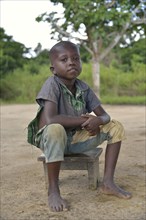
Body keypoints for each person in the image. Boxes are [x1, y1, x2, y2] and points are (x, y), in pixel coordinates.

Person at [27, 41, 132, 212]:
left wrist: (98, 121)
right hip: (52, 141)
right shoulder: (52, 84)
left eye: (76, 58)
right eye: (64, 59)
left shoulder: (83, 88)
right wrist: (85, 121)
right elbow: (51, 118)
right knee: (55, 128)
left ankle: (108, 183)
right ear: (53, 69)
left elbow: (105, 115)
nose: (71, 62)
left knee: (115, 126)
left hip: (76, 139)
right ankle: (53, 189)